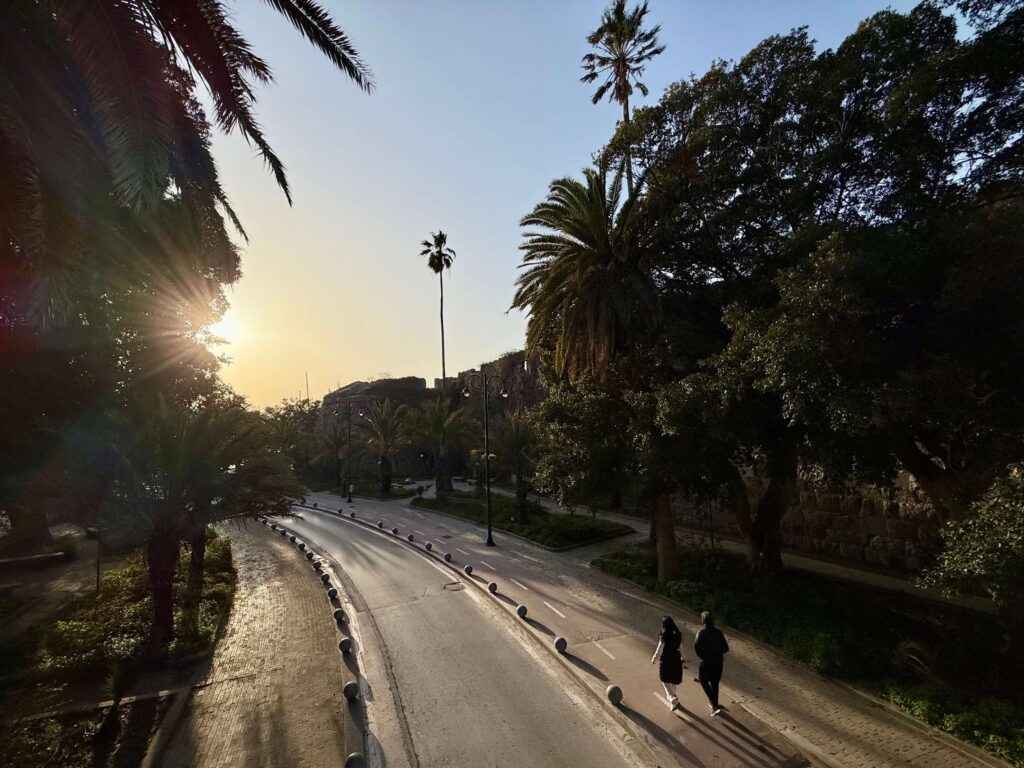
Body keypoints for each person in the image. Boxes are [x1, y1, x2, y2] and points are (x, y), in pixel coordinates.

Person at [694, 611, 729, 716]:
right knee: (715, 682)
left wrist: (704, 656)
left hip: (707, 662)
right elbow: (725, 647)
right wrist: (718, 654)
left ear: (703, 620)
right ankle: (715, 703)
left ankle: (713, 704)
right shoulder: (719, 632)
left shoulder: (701, 633)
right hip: (718, 662)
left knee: (703, 680)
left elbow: (696, 647)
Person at [651, 615, 684, 711]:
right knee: (673, 679)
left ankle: (672, 698)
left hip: (666, 660)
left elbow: (659, 648)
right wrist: (684, 657)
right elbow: (681, 647)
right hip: (676, 659)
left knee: (663, 678)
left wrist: (654, 658)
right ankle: (674, 698)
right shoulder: (678, 634)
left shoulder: (664, 634)